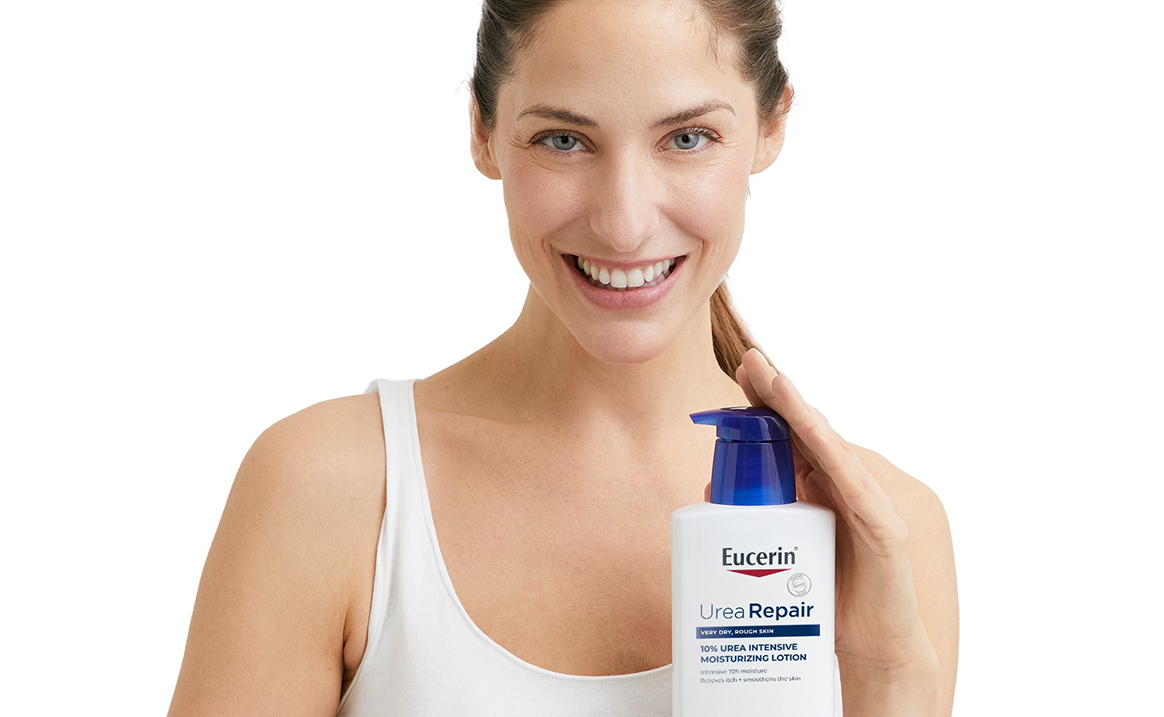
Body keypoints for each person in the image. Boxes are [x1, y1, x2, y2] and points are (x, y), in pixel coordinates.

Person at [165, 0, 959, 715]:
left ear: (771, 125)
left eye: (687, 137)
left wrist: (886, 681)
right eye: (564, 139)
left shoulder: (887, 534)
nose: (624, 223)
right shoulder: (333, 491)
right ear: (482, 132)